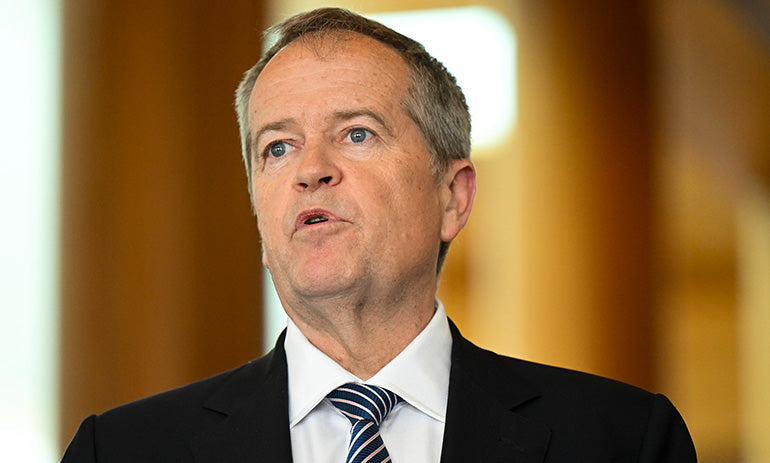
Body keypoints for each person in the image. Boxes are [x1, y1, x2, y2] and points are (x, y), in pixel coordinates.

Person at [62, 7, 697, 462]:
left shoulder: (622, 440)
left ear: (452, 197)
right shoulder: (120, 450)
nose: (311, 170)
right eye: (277, 147)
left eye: (356, 133)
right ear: (260, 220)